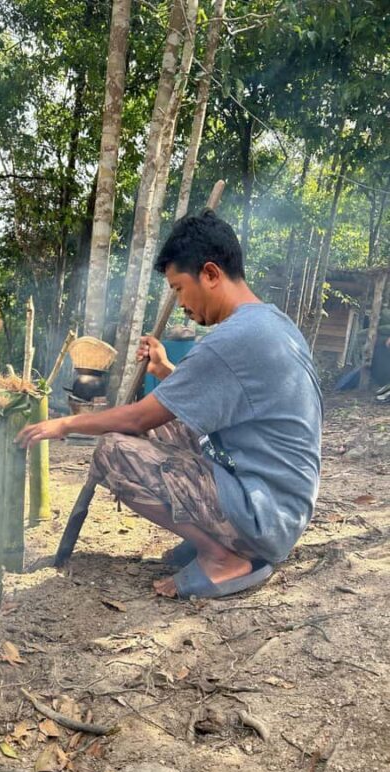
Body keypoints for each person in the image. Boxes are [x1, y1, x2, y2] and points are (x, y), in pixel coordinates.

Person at [16, 210, 323, 598]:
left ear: (210, 274)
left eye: (179, 288)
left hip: (264, 516)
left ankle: (223, 556)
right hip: (279, 503)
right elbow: (217, 395)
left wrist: (65, 425)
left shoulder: (231, 339)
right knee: (165, 425)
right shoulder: (268, 323)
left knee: (114, 450)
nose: (180, 303)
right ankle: (219, 539)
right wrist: (164, 371)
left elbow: (138, 417)